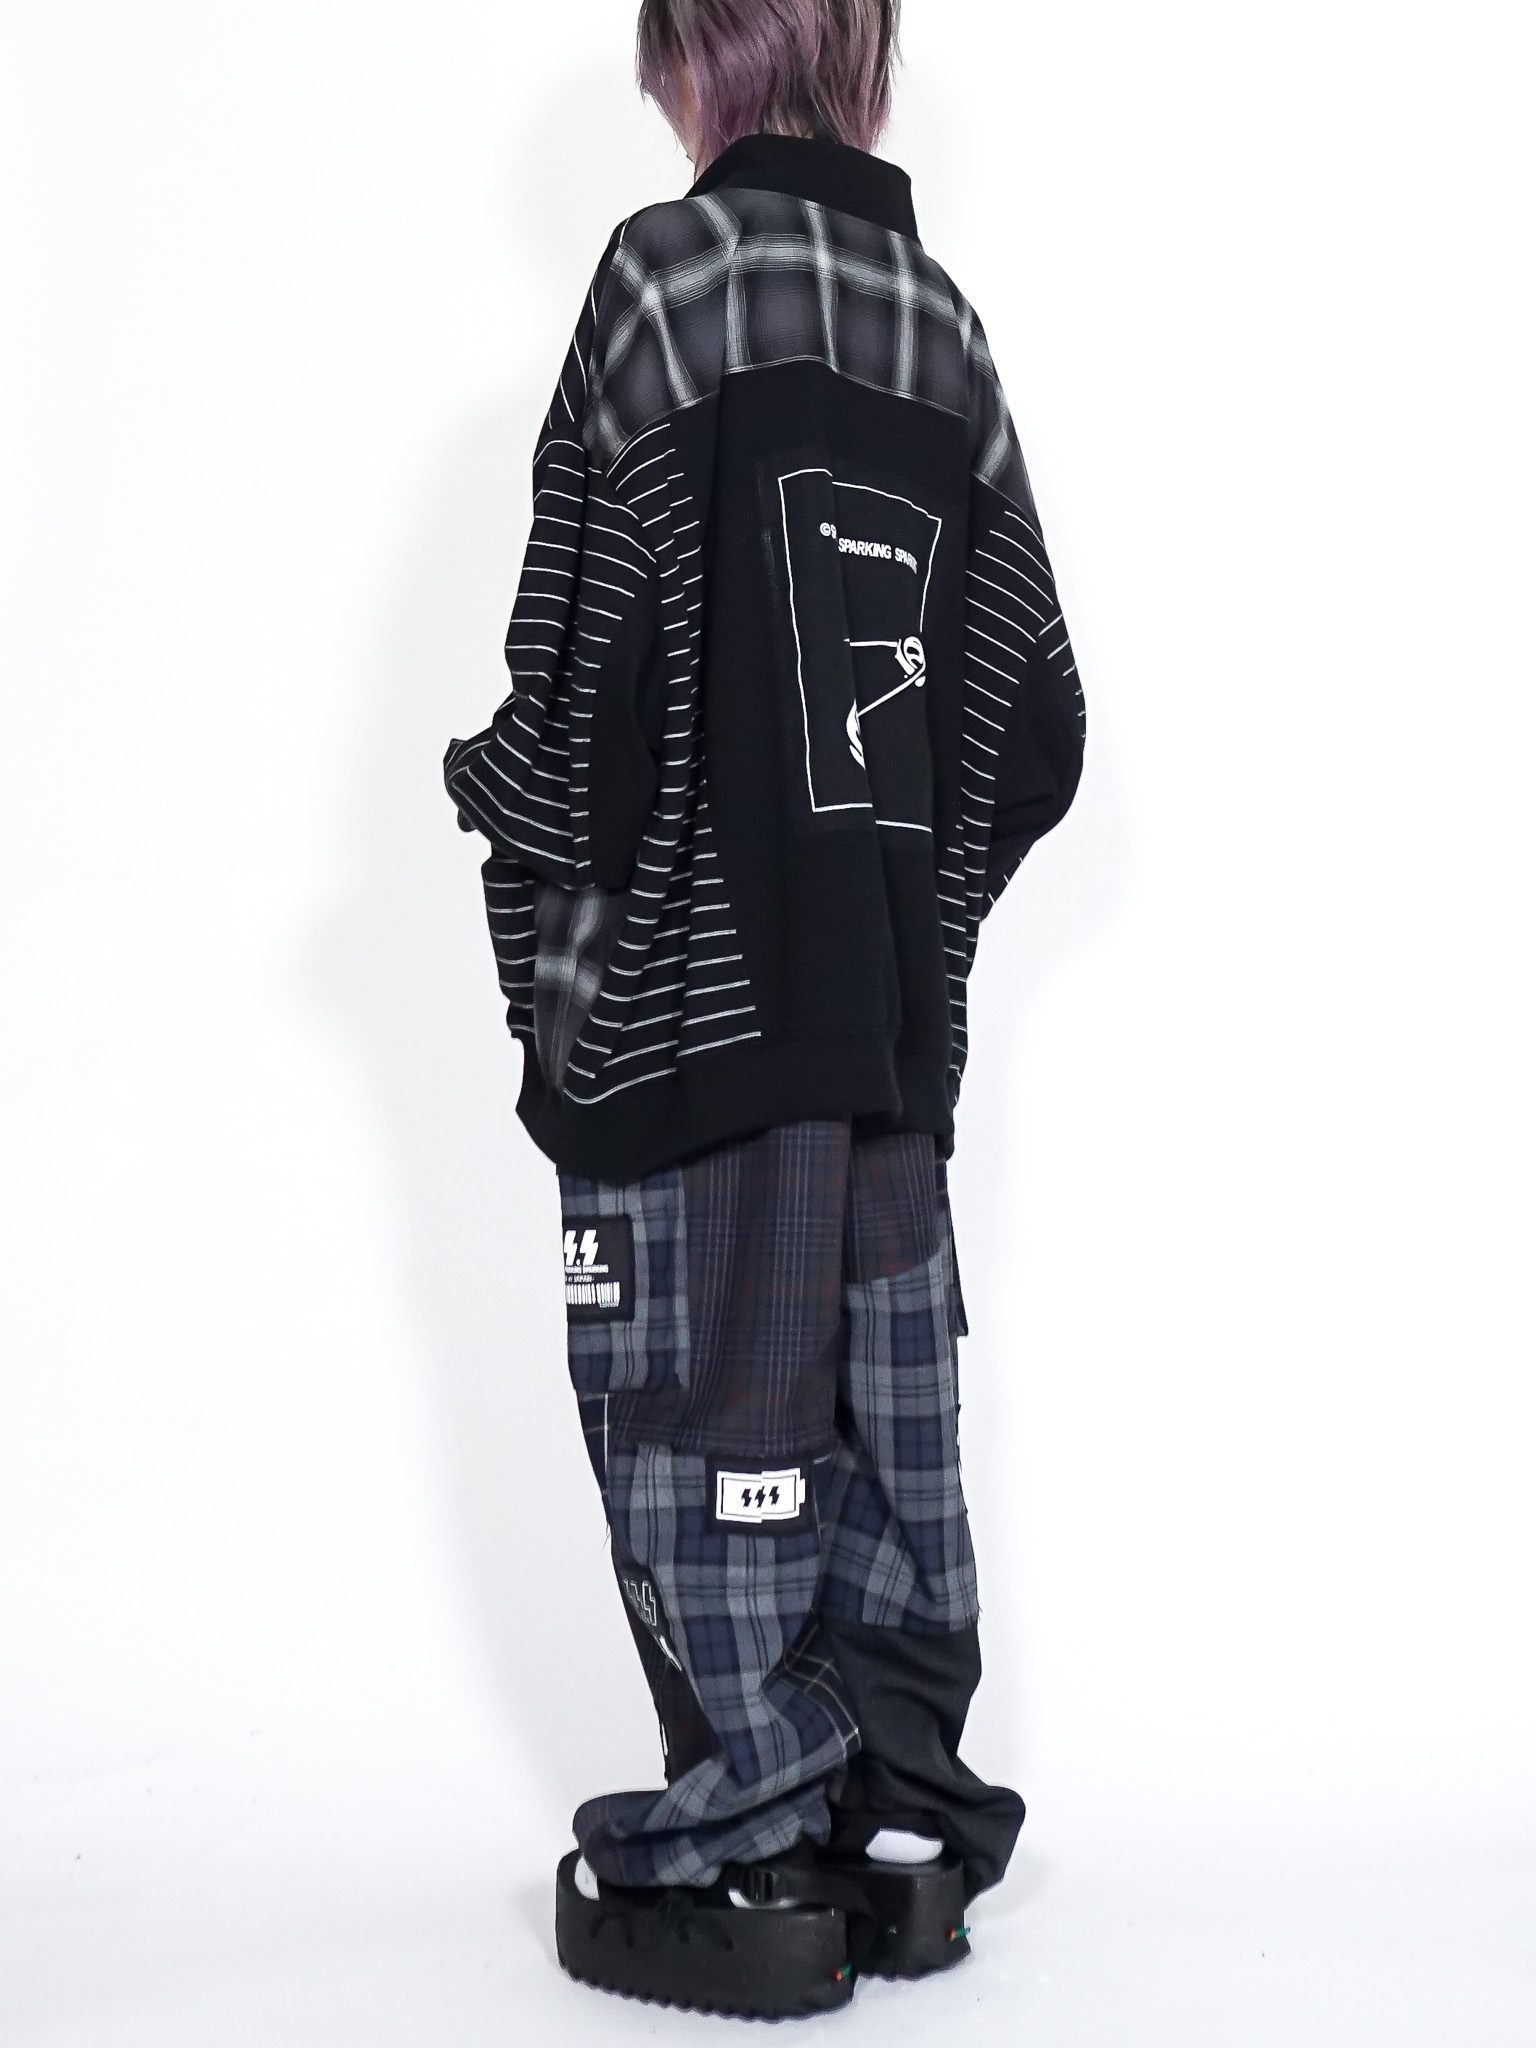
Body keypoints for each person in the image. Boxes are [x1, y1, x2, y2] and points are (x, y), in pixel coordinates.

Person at [444, 0, 1085, 2017]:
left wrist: (522, 878)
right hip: (877, 1033)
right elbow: (1035, 718)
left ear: (692, 57)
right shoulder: (946, 334)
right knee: (885, 1415)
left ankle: (744, 1841)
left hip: (697, 1019)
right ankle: (897, 1826)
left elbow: (580, 683)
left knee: (707, 1418)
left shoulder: (667, 279)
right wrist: (906, 920)